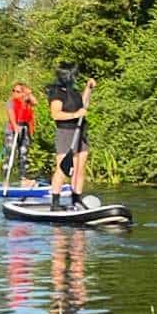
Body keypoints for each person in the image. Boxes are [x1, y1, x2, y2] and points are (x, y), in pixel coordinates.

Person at [47, 64, 95, 210]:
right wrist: (75, 115)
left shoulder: (74, 92)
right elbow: (55, 114)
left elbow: (83, 104)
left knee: (80, 168)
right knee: (63, 169)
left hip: (80, 132)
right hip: (65, 133)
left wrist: (88, 88)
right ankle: (55, 202)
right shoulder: (56, 93)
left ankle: (76, 199)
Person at [5, 83, 37, 187]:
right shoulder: (10, 102)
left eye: (18, 91)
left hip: (24, 129)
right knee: (10, 154)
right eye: (13, 90)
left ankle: (23, 178)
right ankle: (6, 180)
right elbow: (11, 115)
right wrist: (15, 127)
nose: (15, 93)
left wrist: (29, 93)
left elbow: (35, 102)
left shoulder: (27, 101)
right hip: (12, 130)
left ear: (23, 93)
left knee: (23, 154)